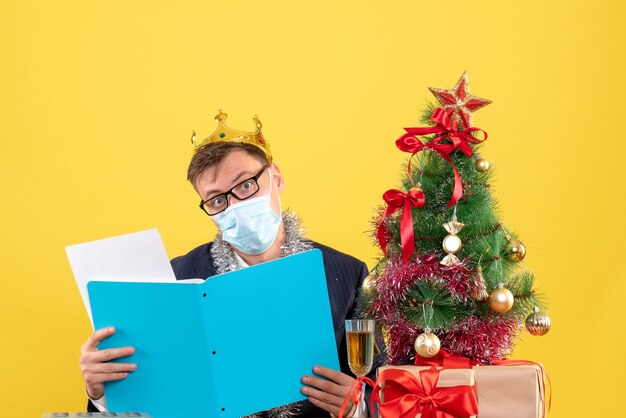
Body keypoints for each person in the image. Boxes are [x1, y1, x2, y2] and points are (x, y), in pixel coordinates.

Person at [79, 111, 382, 417]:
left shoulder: (348, 274)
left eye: (246, 185)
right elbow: (149, 396)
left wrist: (361, 405)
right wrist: (101, 394)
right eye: (217, 200)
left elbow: (382, 385)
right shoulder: (175, 279)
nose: (235, 205)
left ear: (275, 177)